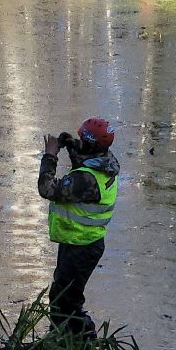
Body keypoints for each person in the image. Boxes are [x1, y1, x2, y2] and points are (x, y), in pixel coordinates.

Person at [38, 118, 120, 335]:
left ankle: (82, 340)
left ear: (91, 144)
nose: (80, 141)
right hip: (82, 241)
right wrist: (70, 143)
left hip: (81, 247)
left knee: (66, 301)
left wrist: (50, 156)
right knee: (62, 295)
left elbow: (47, 189)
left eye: (83, 138)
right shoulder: (105, 162)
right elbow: (84, 156)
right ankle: (64, 340)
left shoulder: (86, 180)